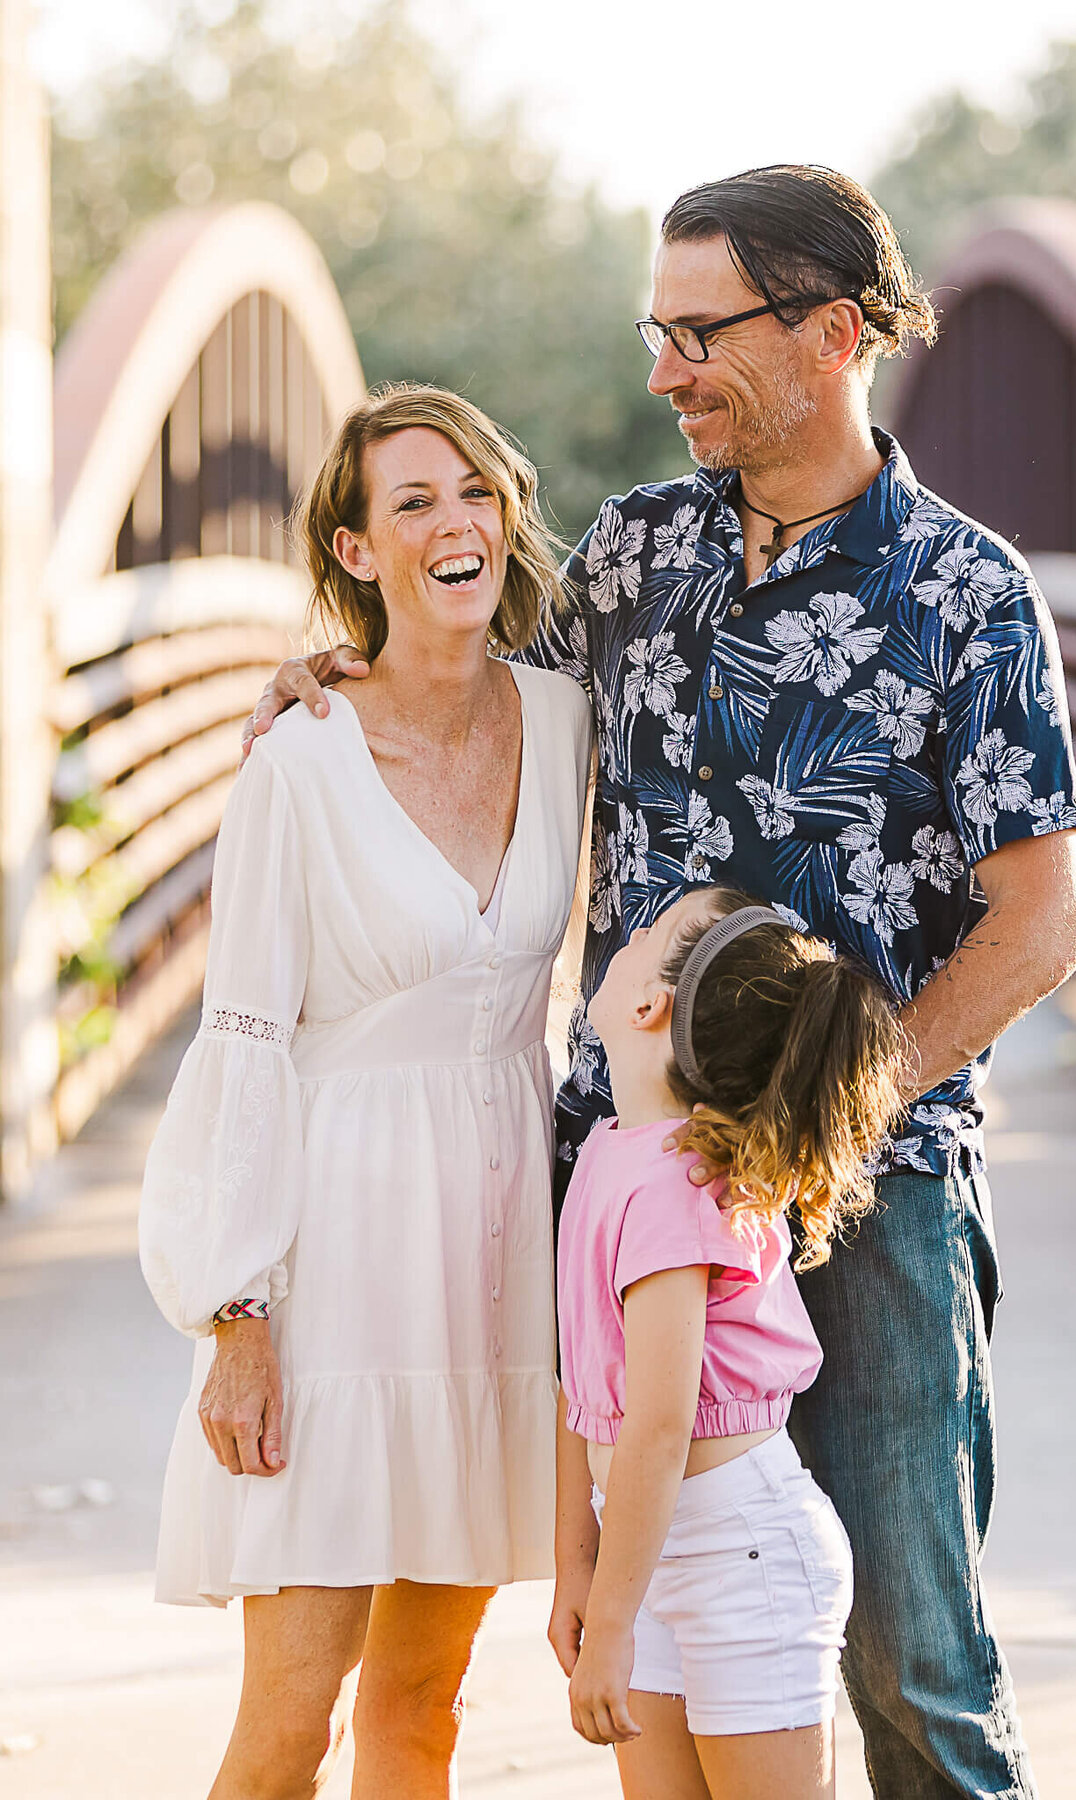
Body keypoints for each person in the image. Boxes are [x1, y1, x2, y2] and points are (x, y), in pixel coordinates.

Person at [246, 166, 1076, 1798]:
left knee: (915, 1660)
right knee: (653, 1650)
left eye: (700, 332)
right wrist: (339, 667)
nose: (662, 371)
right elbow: (467, 704)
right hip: (625, 1196)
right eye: (658, 329)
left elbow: (1038, 922)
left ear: (832, 332)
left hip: (875, 1193)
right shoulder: (629, 559)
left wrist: (820, 1120)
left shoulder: (971, 593)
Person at [139, 382, 592, 1800]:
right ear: (354, 554)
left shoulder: (570, 721)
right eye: (412, 502)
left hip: (493, 1266)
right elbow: (247, 1039)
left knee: (423, 1703)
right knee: (291, 1718)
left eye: (473, 489)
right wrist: (239, 1315)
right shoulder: (304, 756)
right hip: (333, 1272)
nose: (455, 523)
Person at [551, 887, 906, 1800]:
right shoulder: (609, 1152)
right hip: (648, 1549)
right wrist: (577, 1566)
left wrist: (617, 1620)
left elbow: (661, 1427)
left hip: (741, 1560)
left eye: (651, 932)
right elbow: (585, 1385)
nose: (626, 938)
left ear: (648, 1005)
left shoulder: (673, 1187)